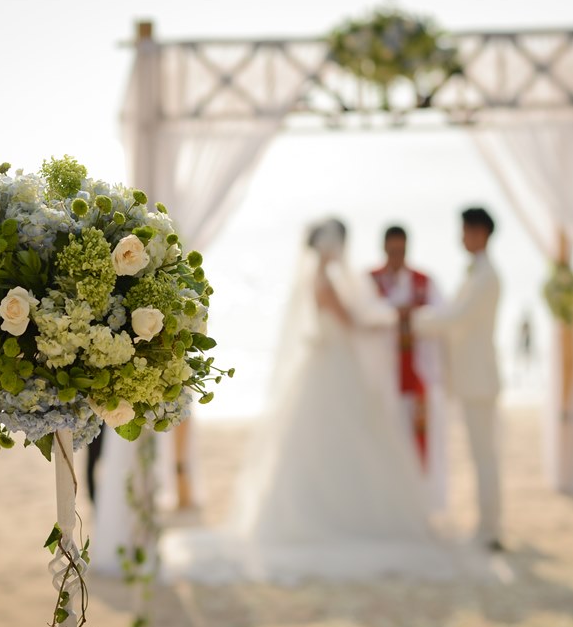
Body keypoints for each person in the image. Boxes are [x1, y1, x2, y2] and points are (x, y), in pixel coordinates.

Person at [158, 218, 453, 582]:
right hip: (334, 367)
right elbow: (352, 324)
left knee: (332, 444)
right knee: (347, 441)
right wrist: (390, 321)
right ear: (330, 247)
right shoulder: (325, 282)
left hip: (331, 364)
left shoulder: (319, 279)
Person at [414, 207, 503, 551]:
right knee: (481, 455)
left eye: (464, 230)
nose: (461, 237)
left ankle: (490, 529)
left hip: (479, 378)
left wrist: (412, 319)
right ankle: (487, 525)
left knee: (485, 456)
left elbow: (456, 317)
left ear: (479, 232)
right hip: (472, 378)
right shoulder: (477, 273)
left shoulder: (486, 276)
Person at [368, 225, 448, 512]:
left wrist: (412, 316)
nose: (396, 256)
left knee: (418, 444)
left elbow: (443, 318)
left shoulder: (424, 282)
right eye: (391, 251)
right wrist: (392, 315)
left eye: (401, 251)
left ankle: (419, 504)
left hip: (418, 376)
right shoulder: (369, 281)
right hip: (382, 378)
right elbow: (361, 318)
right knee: (384, 443)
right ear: (384, 249)